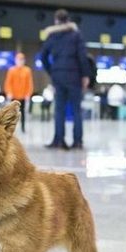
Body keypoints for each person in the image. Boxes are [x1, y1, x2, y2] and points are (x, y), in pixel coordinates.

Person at [40, 9, 89, 150]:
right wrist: (85, 75)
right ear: (68, 20)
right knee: (76, 110)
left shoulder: (52, 36)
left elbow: (43, 57)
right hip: (75, 76)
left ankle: (59, 140)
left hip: (58, 77)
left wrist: (52, 71)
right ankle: (78, 141)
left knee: (59, 110)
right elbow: (82, 57)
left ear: (56, 20)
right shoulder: (76, 35)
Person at [3, 52, 33, 132]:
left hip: (23, 96)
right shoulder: (11, 70)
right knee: (12, 114)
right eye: (18, 60)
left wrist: (28, 94)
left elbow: (29, 83)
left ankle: (23, 128)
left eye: (22, 60)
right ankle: (10, 128)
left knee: (22, 113)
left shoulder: (27, 70)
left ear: (24, 61)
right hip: (13, 96)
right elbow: (8, 83)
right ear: (16, 60)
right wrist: (9, 92)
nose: (20, 61)